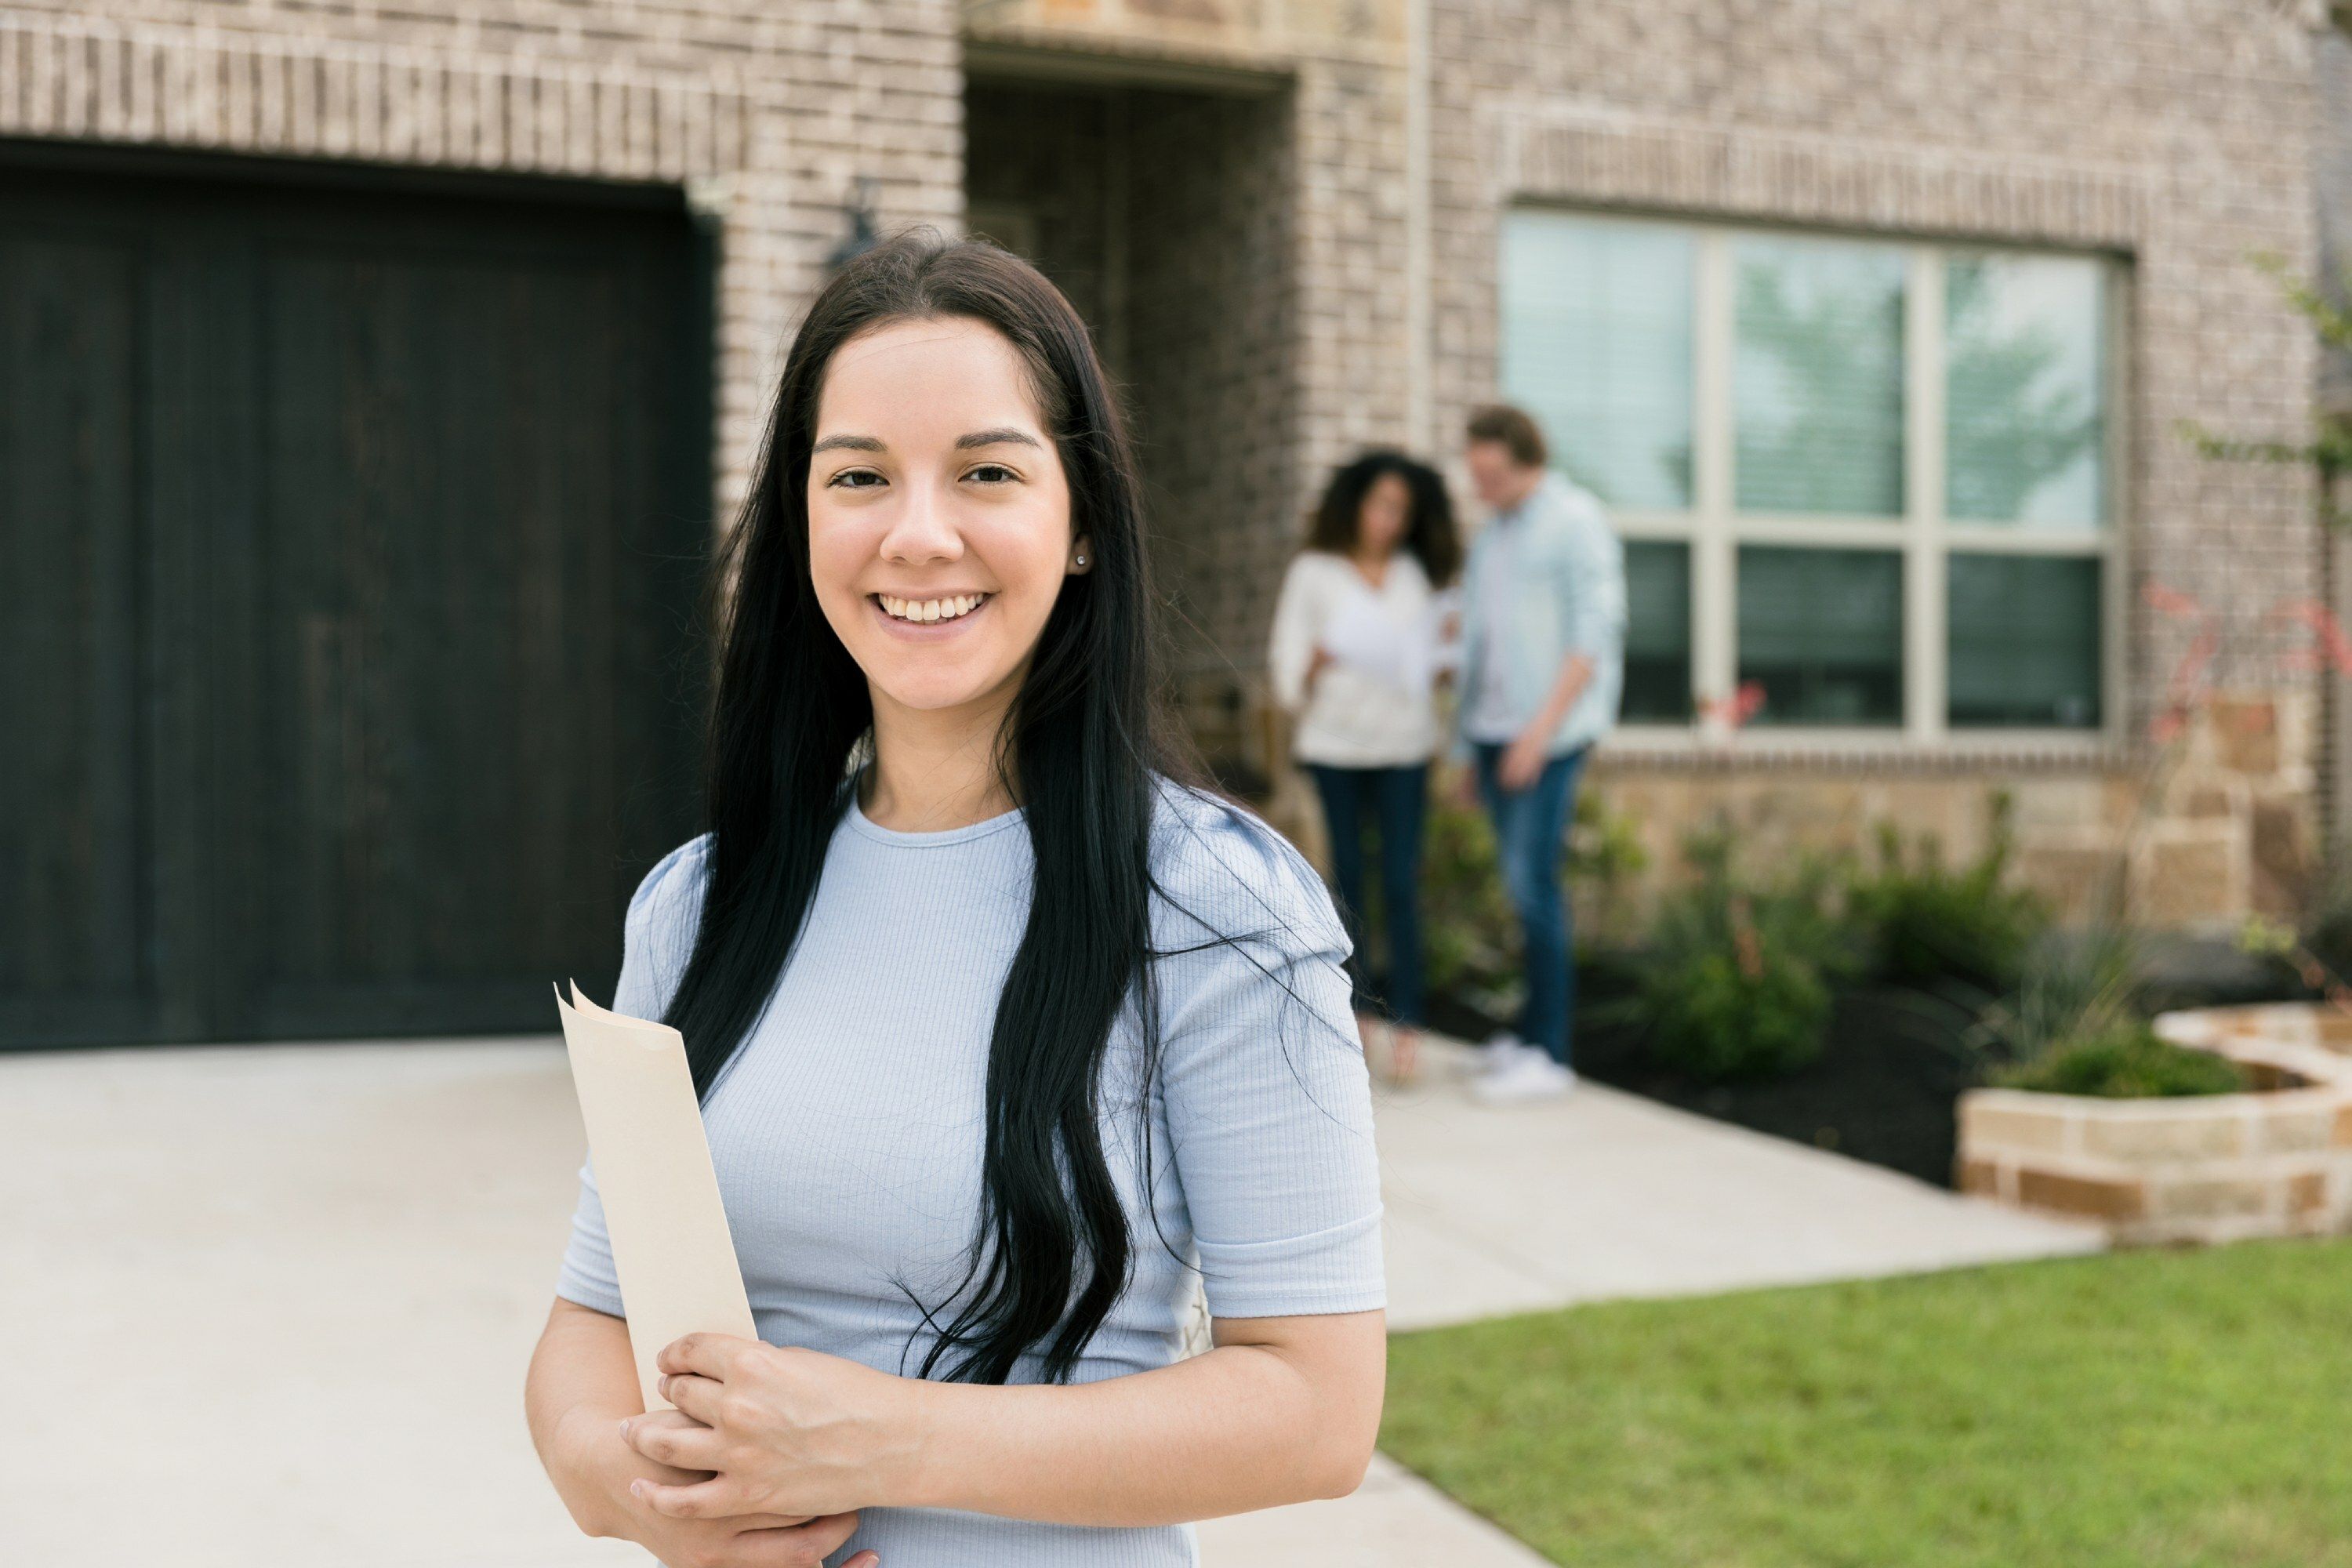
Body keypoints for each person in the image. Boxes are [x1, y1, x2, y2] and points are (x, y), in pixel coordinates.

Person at [522, 230, 1387, 1568]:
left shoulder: (1219, 907)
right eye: (859, 476)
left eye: (987, 471)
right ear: (802, 520)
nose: (919, 536)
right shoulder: (698, 902)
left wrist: (880, 1440)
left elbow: (1318, 1412)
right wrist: (622, 1487)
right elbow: (592, 1319)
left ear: (1082, 521)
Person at [1447, 405, 1626, 1105]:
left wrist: (1538, 733)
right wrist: (1468, 748)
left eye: (1489, 472)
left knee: (1535, 886)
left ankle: (1551, 1053)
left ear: (1523, 460)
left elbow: (1595, 634)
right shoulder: (1491, 539)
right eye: (1474, 471)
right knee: (1518, 890)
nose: (1479, 484)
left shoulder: (1576, 521)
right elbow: (1478, 652)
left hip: (1547, 737)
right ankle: (1526, 1039)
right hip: (1494, 736)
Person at [1267, 451, 1463, 1087]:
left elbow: (1429, 661)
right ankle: (1357, 1016)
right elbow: (1284, 672)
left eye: (1399, 510)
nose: (1387, 520)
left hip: (1404, 747)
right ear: (1353, 503)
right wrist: (1318, 663)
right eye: (1379, 504)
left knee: (1402, 885)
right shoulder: (1314, 573)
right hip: (1335, 750)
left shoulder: (1411, 576)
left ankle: (1408, 1023)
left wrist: (1439, 661)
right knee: (1348, 880)